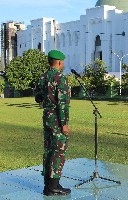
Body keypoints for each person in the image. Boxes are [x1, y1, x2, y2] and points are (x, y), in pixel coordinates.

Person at [35, 50, 71, 196]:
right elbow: (63, 103)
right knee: (59, 151)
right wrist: (64, 124)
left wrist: (46, 100)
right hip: (57, 119)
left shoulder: (43, 77)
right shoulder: (60, 78)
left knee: (49, 150)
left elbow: (37, 97)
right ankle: (54, 187)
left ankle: (48, 186)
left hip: (47, 118)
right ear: (59, 62)